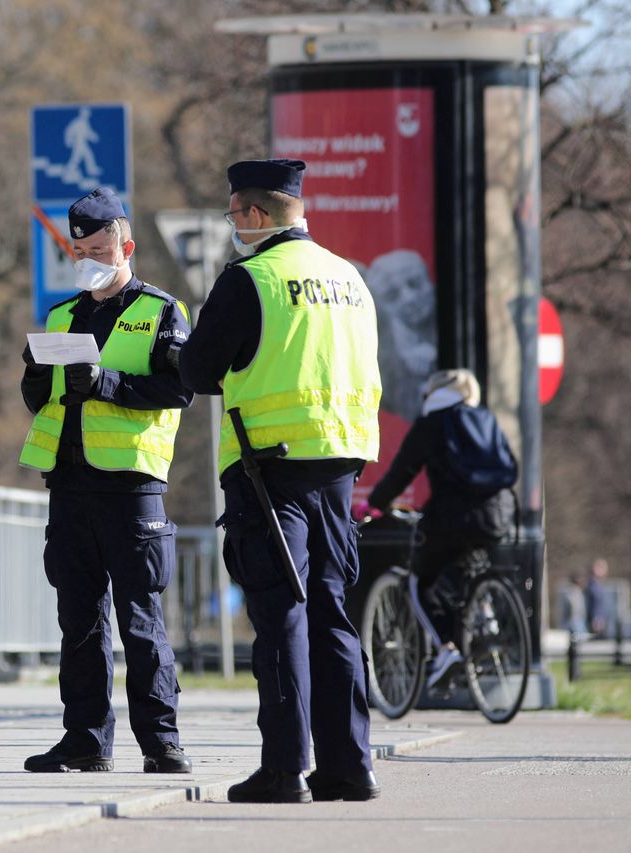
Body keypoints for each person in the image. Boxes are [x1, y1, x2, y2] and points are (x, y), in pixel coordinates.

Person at [178, 159, 382, 803]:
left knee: (281, 615)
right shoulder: (349, 276)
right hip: (340, 468)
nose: (233, 225)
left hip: (269, 469)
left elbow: (200, 371)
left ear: (257, 215)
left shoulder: (251, 279)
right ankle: (351, 766)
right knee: (332, 615)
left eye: (236, 213)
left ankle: (284, 767)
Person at [19, 187, 194, 774]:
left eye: (100, 248)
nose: (89, 259)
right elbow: (34, 397)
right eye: (80, 250)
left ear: (127, 247)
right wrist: (40, 376)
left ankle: (161, 742)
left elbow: (178, 389)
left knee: (139, 620)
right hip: (69, 485)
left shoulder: (162, 311)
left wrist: (105, 383)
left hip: (131, 485)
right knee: (80, 621)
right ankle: (86, 741)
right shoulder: (62, 315)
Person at [364, 368, 518, 686]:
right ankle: (484, 615)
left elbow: (402, 471)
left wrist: (375, 503)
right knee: (467, 570)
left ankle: (448, 650)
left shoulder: (432, 424)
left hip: (453, 518)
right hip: (497, 514)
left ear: (433, 394)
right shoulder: (485, 419)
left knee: (420, 581)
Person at [586, 558, 615, 639]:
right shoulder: (592, 586)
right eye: (600, 567)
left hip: (604, 622)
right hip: (596, 622)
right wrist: (596, 619)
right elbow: (594, 605)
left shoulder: (601, 585)